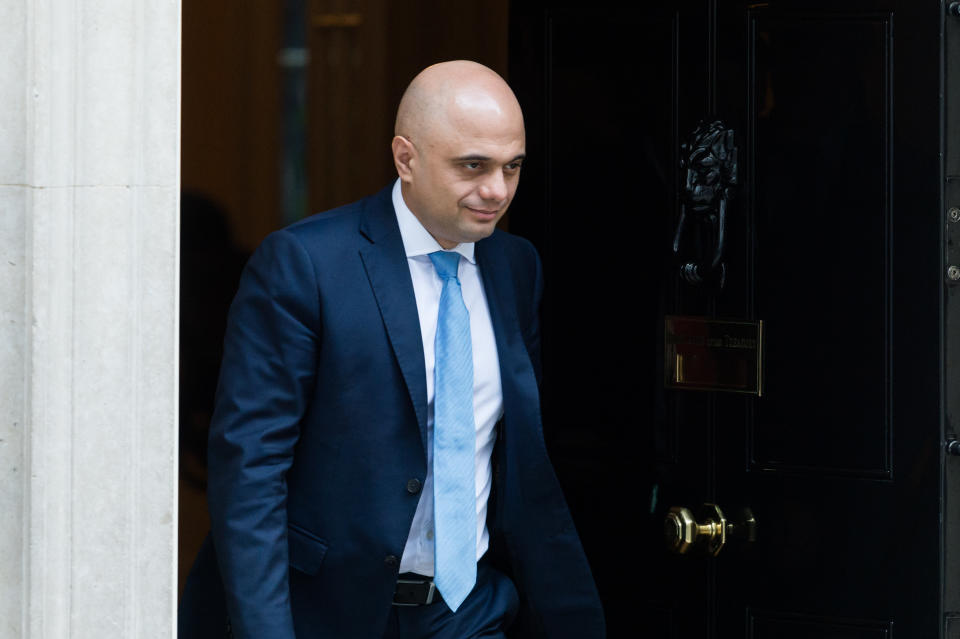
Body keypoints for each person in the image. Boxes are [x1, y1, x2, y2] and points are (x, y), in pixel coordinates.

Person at [179, 60, 605, 639]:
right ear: (406, 158)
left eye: (513, 167)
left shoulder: (516, 267)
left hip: (467, 611)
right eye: (473, 166)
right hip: (327, 613)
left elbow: (514, 452)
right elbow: (250, 469)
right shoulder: (305, 265)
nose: (497, 191)